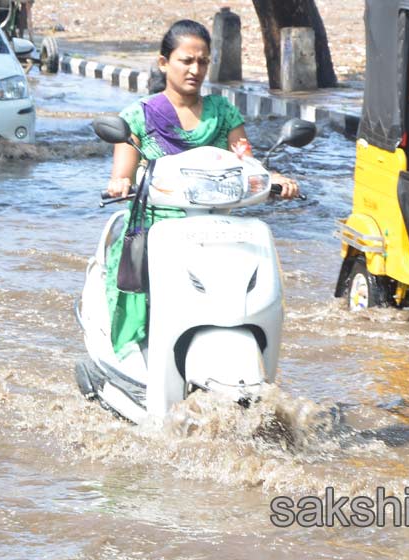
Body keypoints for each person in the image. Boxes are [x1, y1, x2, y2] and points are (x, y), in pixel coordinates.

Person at [104, 19, 301, 358]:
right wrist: (120, 182)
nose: (195, 69)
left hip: (216, 225)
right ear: (164, 62)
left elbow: (245, 159)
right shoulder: (137, 118)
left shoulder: (223, 112)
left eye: (203, 61)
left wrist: (273, 178)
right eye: (186, 61)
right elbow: (121, 174)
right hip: (157, 226)